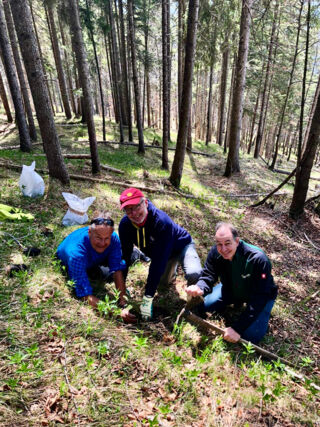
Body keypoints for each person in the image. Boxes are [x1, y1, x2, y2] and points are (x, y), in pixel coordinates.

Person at [186, 222, 277, 344]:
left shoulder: (258, 259)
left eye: (227, 243)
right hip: (231, 290)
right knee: (202, 307)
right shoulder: (215, 252)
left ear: (237, 241)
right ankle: (234, 301)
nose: (223, 249)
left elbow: (260, 296)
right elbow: (209, 274)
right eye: (219, 244)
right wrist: (200, 287)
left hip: (259, 296)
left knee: (250, 337)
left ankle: (261, 314)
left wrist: (237, 329)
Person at [119, 187, 202, 320]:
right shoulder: (125, 225)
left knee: (194, 273)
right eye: (128, 209)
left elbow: (158, 262)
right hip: (165, 254)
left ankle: (194, 307)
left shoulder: (161, 222)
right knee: (163, 283)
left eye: (136, 207)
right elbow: (125, 256)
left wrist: (147, 297)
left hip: (182, 246)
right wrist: (121, 289)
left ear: (145, 203)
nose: (134, 213)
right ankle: (172, 272)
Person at [56, 211, 136, 323]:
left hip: (95, 259)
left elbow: (117, 269)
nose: (103, 242)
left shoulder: (113, 238)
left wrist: (122, 302)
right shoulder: (76, 254)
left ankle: (137, 254)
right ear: (89, 232)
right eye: (98, 237)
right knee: (100, 276)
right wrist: (116, 312)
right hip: (75, 262)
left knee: (127, 259)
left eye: (106, 238)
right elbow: (85, 296)